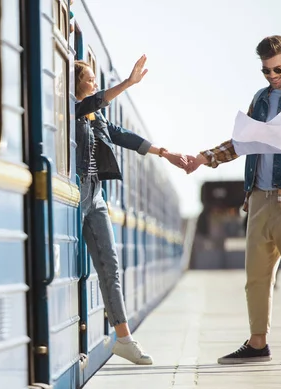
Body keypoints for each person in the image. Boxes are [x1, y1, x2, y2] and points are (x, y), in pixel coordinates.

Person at [185, 35, 281, 365]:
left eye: (277, 69)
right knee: (256, 276)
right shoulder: (260, 99)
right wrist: (203, 158)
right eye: (266, 71)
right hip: (260, 198)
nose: (272, 76)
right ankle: (257, 343)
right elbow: (240, 143)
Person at [75, 55, 188, 365]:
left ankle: (124, 340)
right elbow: (91, 102)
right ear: (76, 84)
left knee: (110, 265)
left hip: (95, 195)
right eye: (90, 78)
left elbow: (123, 136)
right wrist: (127, 84)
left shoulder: (96, 119)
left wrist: (164, 153)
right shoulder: (72, 109)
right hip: (75, 192)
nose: (95, 83)